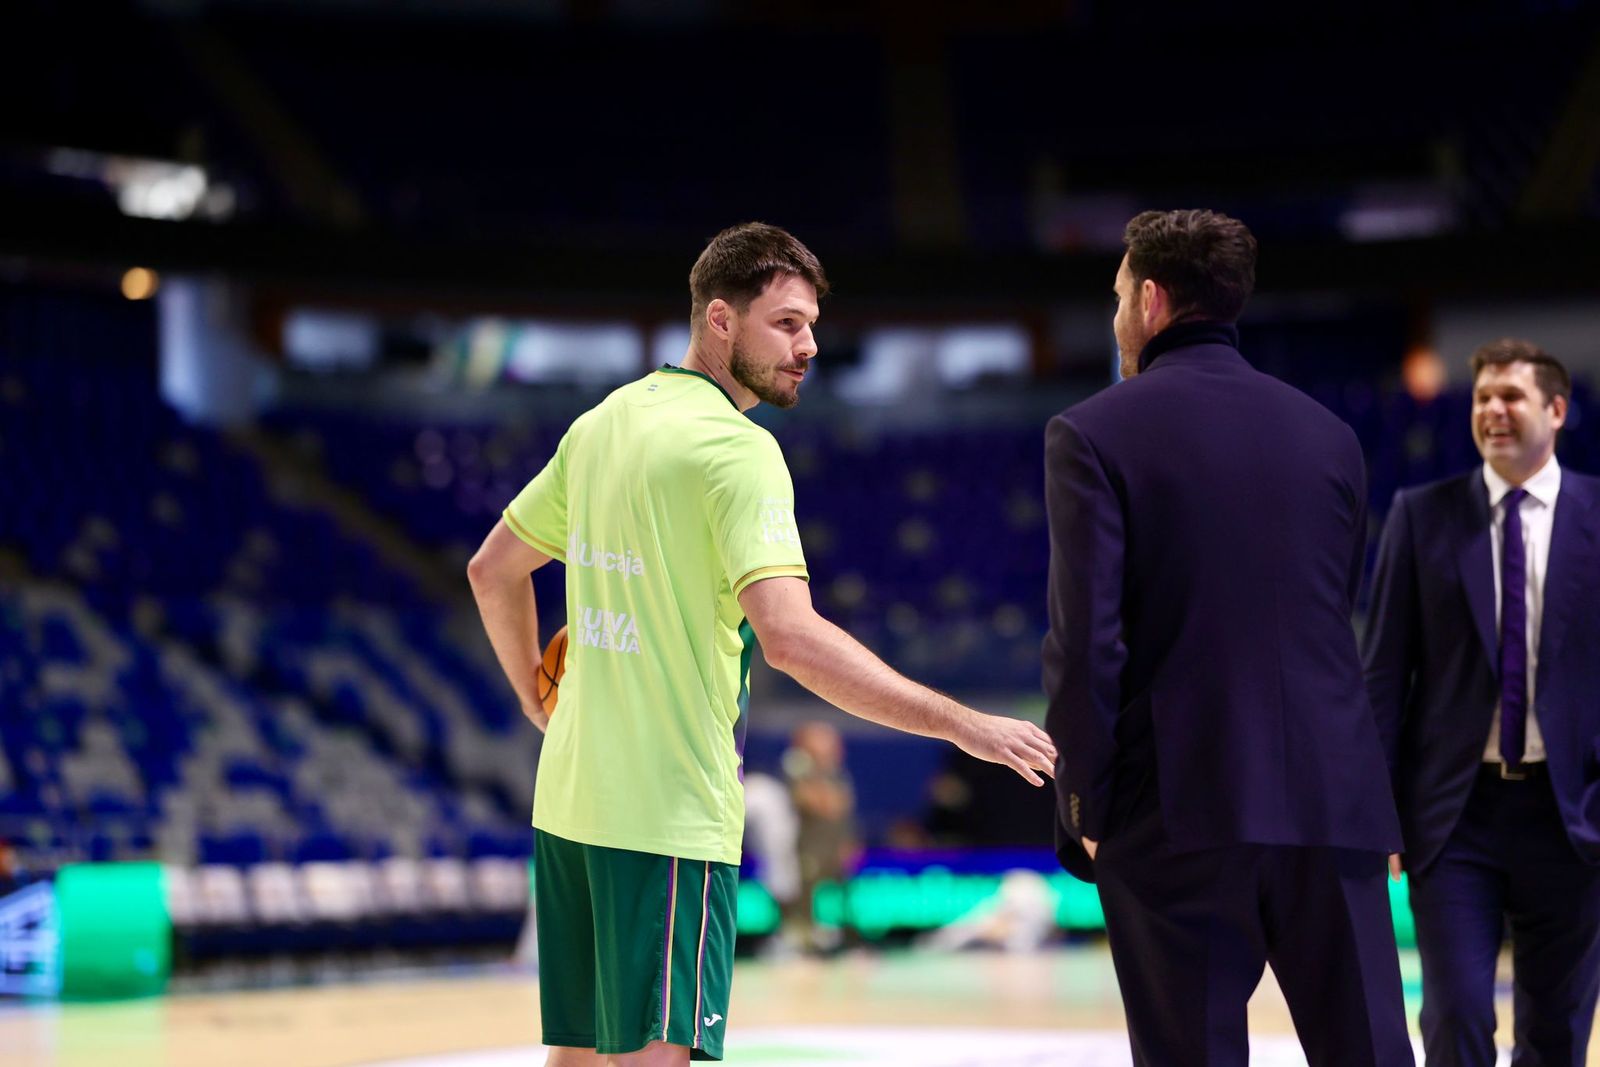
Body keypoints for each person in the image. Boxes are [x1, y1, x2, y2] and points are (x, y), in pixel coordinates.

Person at [467, 221, 1056, 1067]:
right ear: (719, 320)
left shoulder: (603, 423)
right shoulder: (738, 453)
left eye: (811, 324)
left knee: (577, 1059)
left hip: (568, 809)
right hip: (665, 817)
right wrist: (962, 723)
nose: (809, 345)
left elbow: (493, 569)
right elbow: (791, 637)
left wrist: (535, 696)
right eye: (785, 323)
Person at [1042, 208, 1413, 1067]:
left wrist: (1084, 803)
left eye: (1119, 295)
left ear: (1154, 300)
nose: (1115, 315)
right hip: (1335, 796)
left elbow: (1088, 644)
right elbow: (1327, 617)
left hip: (1180, 803)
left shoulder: (1092, 431)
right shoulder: (1334, 436)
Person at [1364, 338, 1600, 1067]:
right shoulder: (1420, 515)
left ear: (1555, 410)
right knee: (1457, 1015)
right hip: (1453, 816)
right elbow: (1382, 675)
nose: (1493, 410)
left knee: (1556, 1032)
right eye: (1482, 398)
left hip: (1573, 815)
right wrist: (1374, 812)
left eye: (1512, 397)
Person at [781, 721, 858, 954]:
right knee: (804, 895)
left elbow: (843, 810)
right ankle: (800, 940)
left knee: (843, 895)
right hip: (807, 847)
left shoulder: (837, 774)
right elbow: (818, 803)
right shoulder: (797, 768)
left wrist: (848, 842)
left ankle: (845, 938)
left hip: (832, 847)